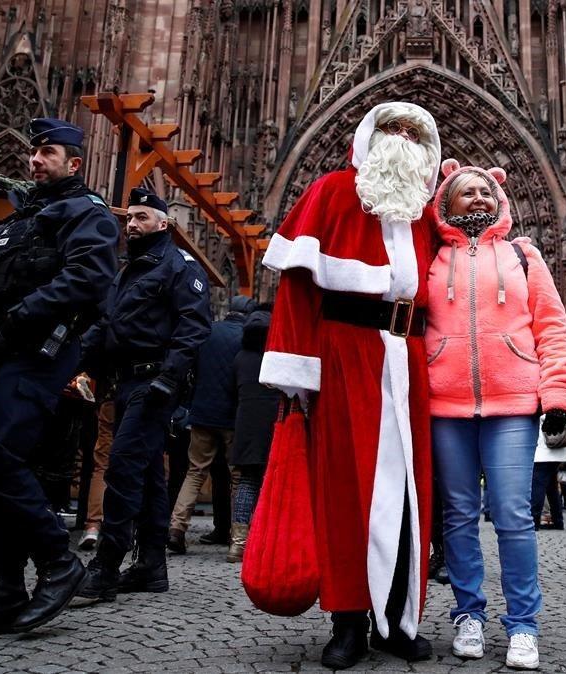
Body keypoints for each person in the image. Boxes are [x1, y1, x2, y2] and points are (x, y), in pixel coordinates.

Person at [258, 102, 441, 669]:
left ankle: (398, 618)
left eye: (415, 133)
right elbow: (296, 291)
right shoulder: (332, 192)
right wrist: (295, 376)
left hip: (408, 360)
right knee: (345, 491)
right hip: (342, 354)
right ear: (369, 137)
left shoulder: (426, 210)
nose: (403, 139)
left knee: (409, 497)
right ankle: (347, 621)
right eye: (393, 129)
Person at [0, 118, 120, 639]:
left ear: (74, 163)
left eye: (48, 153)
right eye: (34, 153)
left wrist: (19, 317)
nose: (35, 160)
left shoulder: (88, 213)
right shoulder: (17, 221)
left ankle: (59, 563)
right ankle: (5, 591)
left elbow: (87, 277)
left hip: (39, 352)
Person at [425, 159, 566, 671]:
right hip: (445, 404)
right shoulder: (429, 258)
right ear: (445, 201)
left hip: (513, 403)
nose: (479, 199)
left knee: (514, 515)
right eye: (467, 192)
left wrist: (556, 398)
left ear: (501, 200)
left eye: (486, 191)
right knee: (459, 517)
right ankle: (469, 614)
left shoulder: (523, 256)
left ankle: (523, 625)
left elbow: (553, 329)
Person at [73, 186, 213, 603]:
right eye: (129, 218)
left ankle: (106, 566)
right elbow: (107, 323)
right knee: (151, 476)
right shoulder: (129, 270)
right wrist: (77, 362)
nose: (131, 225)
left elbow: (194, 326)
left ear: (163, 223)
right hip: (127, 381)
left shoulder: (179, 266)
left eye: (140, 218)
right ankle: (151, 565)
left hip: (154, 385)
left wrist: (168, 380)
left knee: (122, 468)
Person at [167, 294, 256, 554]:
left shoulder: (209, 332)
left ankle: (176, 528)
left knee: (195, 472)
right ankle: (235, 537)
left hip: (202, 413)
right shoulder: (246, 340)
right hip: (232, 417)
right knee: (237, 477)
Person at [225, 307, 280, 562]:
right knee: (273, 483)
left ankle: (239, 543)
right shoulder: (276, 357)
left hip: (246, 426)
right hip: (273, 425)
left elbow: (230, 393)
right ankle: (267, 541)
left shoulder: (240, 358)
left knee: (247, 482)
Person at [79, 399, 115, 550]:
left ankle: (93, 526)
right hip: (140, 399)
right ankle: (122, 529)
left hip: (111, 396)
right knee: (133, 465)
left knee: (102, 466)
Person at [531, 419, 566, 531]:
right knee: (552, 490)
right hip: (556, 453)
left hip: (543, 454)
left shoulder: (545, 413)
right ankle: (558, 521)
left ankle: (534, 521)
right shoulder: (562, 410)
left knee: (538, 488)